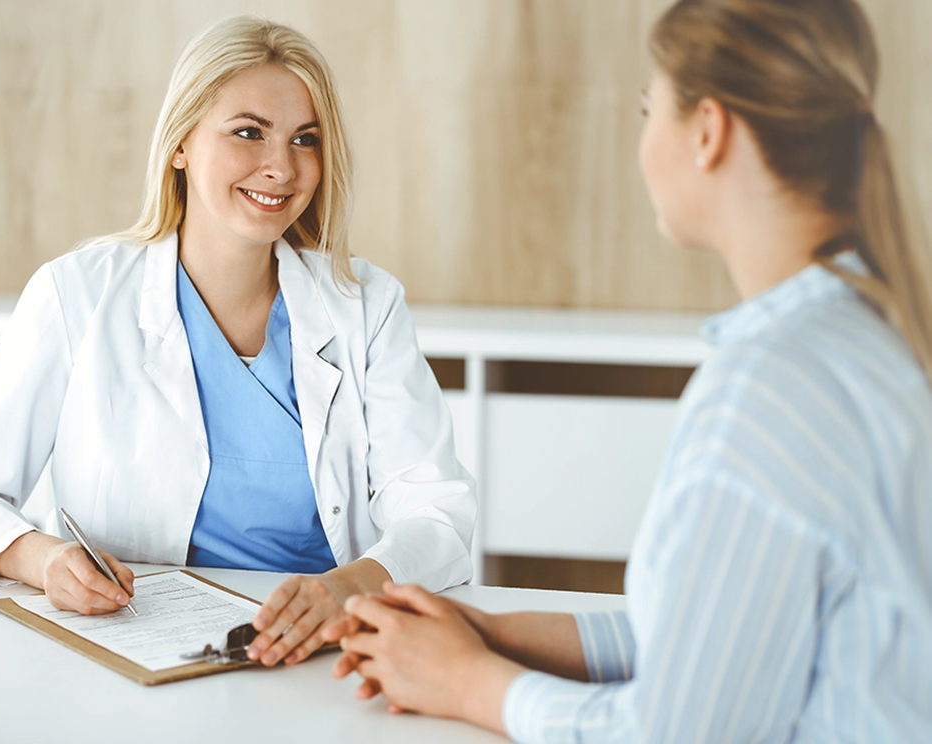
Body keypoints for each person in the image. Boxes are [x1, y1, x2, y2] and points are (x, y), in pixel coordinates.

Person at [324, 0, 932, 740]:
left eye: (650, 109)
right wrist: (489, 632)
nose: (643, 141)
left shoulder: (771, 387)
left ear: (708, 131)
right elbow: (703, 636)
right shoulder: (864, 330)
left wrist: (470, 684)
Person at [0, 16, 476, 668]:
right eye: (247, 132)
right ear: (180, 142)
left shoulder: (365, 307)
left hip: (319, 654)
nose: (281, 167)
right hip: (131, 650)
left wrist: (346, 589)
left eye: (305, 140)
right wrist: (41, 558)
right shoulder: (77, 295)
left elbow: (439, 515)